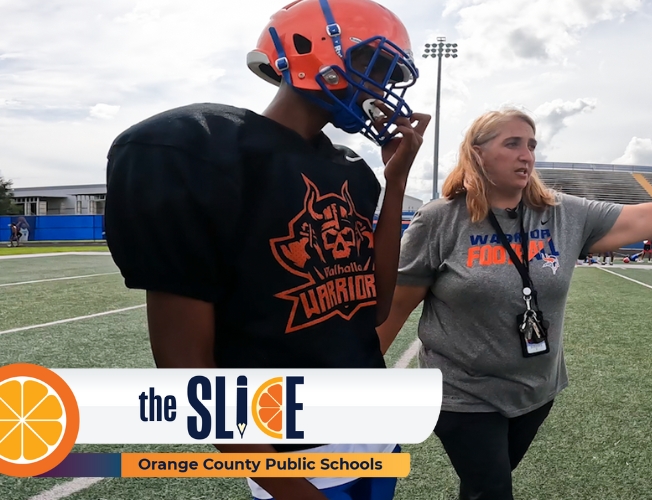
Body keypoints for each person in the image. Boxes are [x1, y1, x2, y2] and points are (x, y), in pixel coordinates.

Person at [375, 108, 652, 500]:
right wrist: (360, 373)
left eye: (532, 145)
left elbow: (642, 218)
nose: (527, 155)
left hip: (536, 391)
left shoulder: (561, 213)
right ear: (477, 153)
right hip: (462, 392)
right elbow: (397, 306)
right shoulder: (440, 219)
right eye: (512, 144)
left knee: (484, 486)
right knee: (491, 491)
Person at [103, 1, 429, 499]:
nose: (382, 89)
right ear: (308, 48)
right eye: (372, 65)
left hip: (375, 435)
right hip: (299, 460)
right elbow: (187, 368)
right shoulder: (200, 149)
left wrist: (396, 182)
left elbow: (376, 307)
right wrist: (292, 489)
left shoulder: (349, 170)